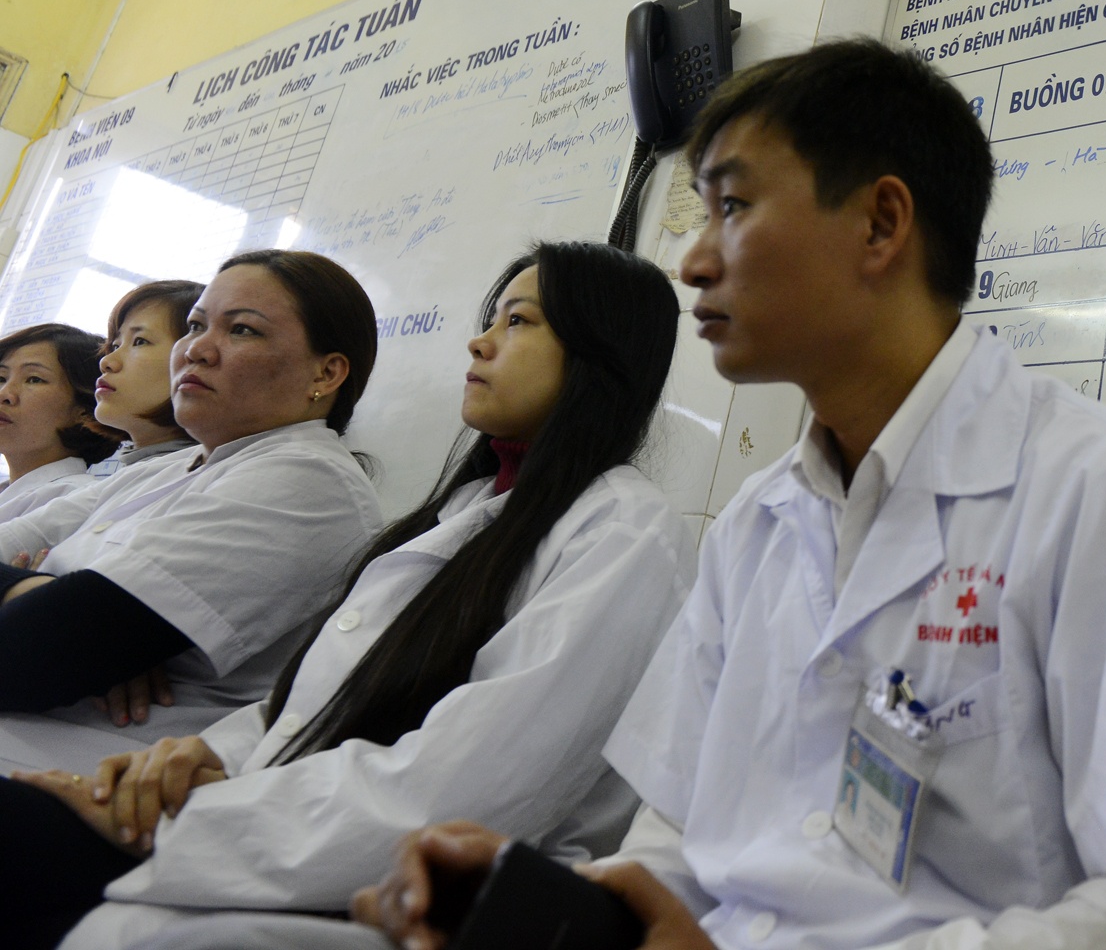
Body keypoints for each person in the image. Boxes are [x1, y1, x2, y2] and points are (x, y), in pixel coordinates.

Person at [356, 39, 1106, 950]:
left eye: (733, 207)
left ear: (879, 224)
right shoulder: (756, 525)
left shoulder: (1093, 488)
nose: (692, 264)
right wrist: (552, 908)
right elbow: (678, 847)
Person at [4, 241, 696, 950]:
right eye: (491, 318)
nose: (480, 342)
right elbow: (320, 699)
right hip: (273, 826)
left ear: (601, 351)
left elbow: (474, 781)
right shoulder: (464, 511)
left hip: (397, 882)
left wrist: (185, 821)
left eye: (517, 322)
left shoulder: (621, 531)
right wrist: (205, 755)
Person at [0, 250, 384, 769]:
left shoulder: (309, 480)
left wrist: (62, 613)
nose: (197, 349)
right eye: (196, 326)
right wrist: (45, 596)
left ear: (327, 372)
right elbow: (59, 630)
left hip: (109, 769)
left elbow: (33, 655)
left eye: (242, 330)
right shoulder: (166, 469)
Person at [1, 281, 205, 571]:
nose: (107, 361)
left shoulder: (73, 491)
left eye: (140, 341)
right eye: (115, 345)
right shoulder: (126, 480)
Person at [0, 323, 122, 524]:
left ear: (85, 411)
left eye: (34, 379)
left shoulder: (76, 502)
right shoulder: (12, 492)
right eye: (1, 378)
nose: (5, 394)